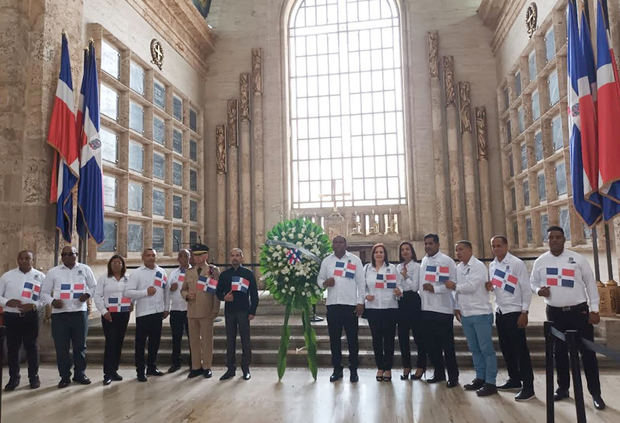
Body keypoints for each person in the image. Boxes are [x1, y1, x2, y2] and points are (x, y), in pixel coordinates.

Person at [530, 226, 605, 410]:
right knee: (559, 352)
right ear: (548, 240)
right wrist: (539, 290)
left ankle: (596, 393)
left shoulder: (578, 259)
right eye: (551, 237)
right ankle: (563, 388)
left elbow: (590, 283)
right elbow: (533, 282)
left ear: (564, 239)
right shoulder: (541, 261)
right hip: (555, 314)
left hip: (579, 312)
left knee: (587, 353)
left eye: (558, 237)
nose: (554, 240)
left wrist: (594, 309)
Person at [446, 240, 497, 396]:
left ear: (470, 250)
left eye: (461, 249)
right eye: (456, 250)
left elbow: (472, 286)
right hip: (466, 314)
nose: (458, 253)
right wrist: (456, 306)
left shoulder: (479, 266)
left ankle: (491, 382)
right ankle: (480, 377)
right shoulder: (458, 268)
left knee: (486, 349)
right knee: (474, 349)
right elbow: (456, 290)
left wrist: (454, 286)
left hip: (480, 313)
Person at [41, 246, 97, 388]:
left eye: (70, 254)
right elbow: (44, 293)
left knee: (80, 346)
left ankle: (80, 374)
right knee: (61, 348)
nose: (67, 257)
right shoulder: (53, 272)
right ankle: (65, 377)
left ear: (76, 254)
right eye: (64, 254)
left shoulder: (85, 269)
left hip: (79, 313)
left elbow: (94, 287)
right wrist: (53, 301)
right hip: (60, 316)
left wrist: (87, 295)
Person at [487, 235, 534, 401]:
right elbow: (498, 286)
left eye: (499, 245)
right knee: (506, 348)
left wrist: (524, 312)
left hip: (515, 312)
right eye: (494, 246)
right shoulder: (492, 265)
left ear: (506, 246)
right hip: (500, 311)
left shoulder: (516, 263)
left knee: (521, 350)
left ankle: (529, 387)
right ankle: (514, 379)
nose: (496, 248)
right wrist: (490, 286)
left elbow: (525, 289)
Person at [317, 235, 364, 383]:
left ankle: (354, 369)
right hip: (333, 305)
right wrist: (325, 283)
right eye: (335, 242)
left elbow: (361, 283)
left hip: (350, 305)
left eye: (341, 242)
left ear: (346, 245)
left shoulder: (355, 260)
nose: (338, 244)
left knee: (352, 340)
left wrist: (360, 302)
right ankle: (337, 369)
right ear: (332, 245)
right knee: (334, 340)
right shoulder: (327, 261)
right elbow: (319, 279)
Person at [0, 250, 45, 390]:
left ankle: (34, 378)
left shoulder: (41, 276)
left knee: (32, 348)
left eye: (28, 258)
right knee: (12, 349)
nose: (24, 260)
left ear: (33, 260)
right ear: (17, 260)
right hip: (12, 317)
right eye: (22, 258)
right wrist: (7, 302)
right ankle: (14, 379)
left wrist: (33, 305)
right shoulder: (7, 276)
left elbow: (45, 298)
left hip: (31, 317)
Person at [419, 234, 459, 387]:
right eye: (426, 243)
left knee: (447, 346)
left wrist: (434, 288)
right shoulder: (424, 260)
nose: (427, 246)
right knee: (431, 345)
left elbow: (452, 283)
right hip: (426, 308)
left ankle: (453, 377)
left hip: (443, 309)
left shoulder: (446, 261)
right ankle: (439, 373)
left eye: (430, 243)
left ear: (437, 244)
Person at [125, 248, 170, 382]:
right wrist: (145, 292)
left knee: (155, 342)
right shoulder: (137, 273)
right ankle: (140, 371)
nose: (151, 258)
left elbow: (166, 291)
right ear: (143, 257)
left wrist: (166, 308)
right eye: (148, 255)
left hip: (158, 312)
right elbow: (128, 292)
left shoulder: (161, 272)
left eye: (153, 255)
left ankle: (152, 367)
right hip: (143, 313)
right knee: (140, 343)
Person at [217, 248, 259, 381]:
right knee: (230, 341)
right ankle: (230, 369)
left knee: (245, 340)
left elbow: (254, 295)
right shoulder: (224, 275)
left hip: (244, 311)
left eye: (237, 255)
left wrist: (252, 311)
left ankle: (246, 368)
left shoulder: (248, 274)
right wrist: (224, 297)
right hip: (230, 312)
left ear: (242, 258)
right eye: (232, 255)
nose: (234, 258)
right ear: (230, 258)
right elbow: (218, 292)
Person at [181, 243, 220, 379]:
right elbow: (183, 289)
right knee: (194, 341)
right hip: (192, 311)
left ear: (205, 255)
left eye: (199, 255)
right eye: (194, 255)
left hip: (206, 310)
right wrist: (186, 295)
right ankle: (196, 366)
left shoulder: (212, 271)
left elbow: (216, 292)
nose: (196, 258)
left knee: (207, 340)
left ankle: (207, 366)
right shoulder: (189, 272)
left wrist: (215, 310)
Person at [364, 243, 401, 382]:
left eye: (381, 252)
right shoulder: (367, 268)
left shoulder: (392, 268)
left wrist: (399, 292)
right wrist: (366, 295)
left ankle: (388, 368)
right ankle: (380, 367)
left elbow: (399, 285)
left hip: (389, 307)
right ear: (373, 254)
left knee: (389, 340)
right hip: (373, 308)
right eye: (376, 252)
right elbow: (362, 286)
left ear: (385, 254)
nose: (379, 254)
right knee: (376, 340)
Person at [93, 255, 132, 385]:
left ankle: (114, 371)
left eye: (119, 262)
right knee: (110, 342)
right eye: (114, 262)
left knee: (119, 342)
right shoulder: (104, 278)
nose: (116, 264)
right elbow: (97, 296)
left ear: (123, 265)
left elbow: (133, 293)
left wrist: (132, 303)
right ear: (110, 264)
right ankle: (107, 373)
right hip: (109, 315)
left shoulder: (128, 278)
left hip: (123, 314)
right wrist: (104, 312)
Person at [395, 241, 426, 380]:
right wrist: (398, 290)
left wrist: (406, 276)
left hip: (413, 300)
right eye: (402, 250)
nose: (405, 252)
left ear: (412, 251)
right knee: (402, 337)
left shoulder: (417, 266)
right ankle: (406, 366)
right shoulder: (398, 267)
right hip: (401, 301)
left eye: (407, 249)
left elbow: (414, 287)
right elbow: (397, 284)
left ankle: (421, 366)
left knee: (419, 336)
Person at [167, 249, 191, 373]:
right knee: (176, 338)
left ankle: (194, 363)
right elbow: (167, 290)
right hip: (176, 309)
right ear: (178, 259)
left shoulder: (194, 271)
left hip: (190, 310)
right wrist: (171, 288)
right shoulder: (173, 273)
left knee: (192, 337)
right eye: (180, 256)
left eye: (186, 256)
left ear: (189, 258)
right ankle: (176, 363)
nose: (183, 258)